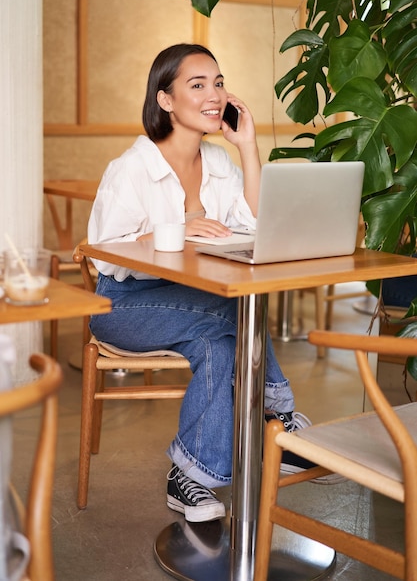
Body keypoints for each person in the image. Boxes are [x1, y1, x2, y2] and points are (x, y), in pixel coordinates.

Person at [87, 43, 336, 525]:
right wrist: (177, 228)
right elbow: (107, 252)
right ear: (164, 100)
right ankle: (278, 419)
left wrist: (246, 146)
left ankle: (191, 476)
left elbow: (256, 222)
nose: (213, 94)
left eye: (218, 83)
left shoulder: (220, 163)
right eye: (197, 85)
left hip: (193, 303)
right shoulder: (131, 169)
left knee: (221, 346)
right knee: (236, 311)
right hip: (122, 306)